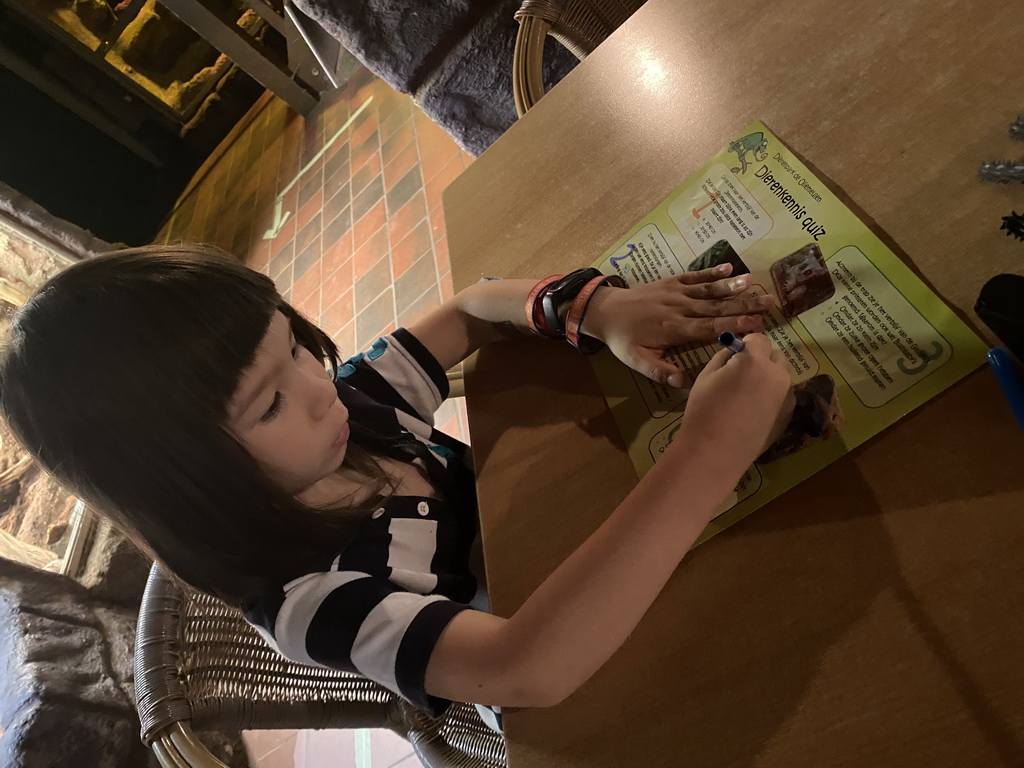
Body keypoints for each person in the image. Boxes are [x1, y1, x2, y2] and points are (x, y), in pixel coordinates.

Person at [0, 244, 792, 727]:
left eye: (295, 348)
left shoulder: (350, 406)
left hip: (577, 543)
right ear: (185, 486)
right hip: (594, 667)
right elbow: (528, 665)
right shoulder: (313, 604)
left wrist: (599, 310)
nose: (319, 388)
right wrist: (712, 448)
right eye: (270, 402)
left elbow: (473, 309)